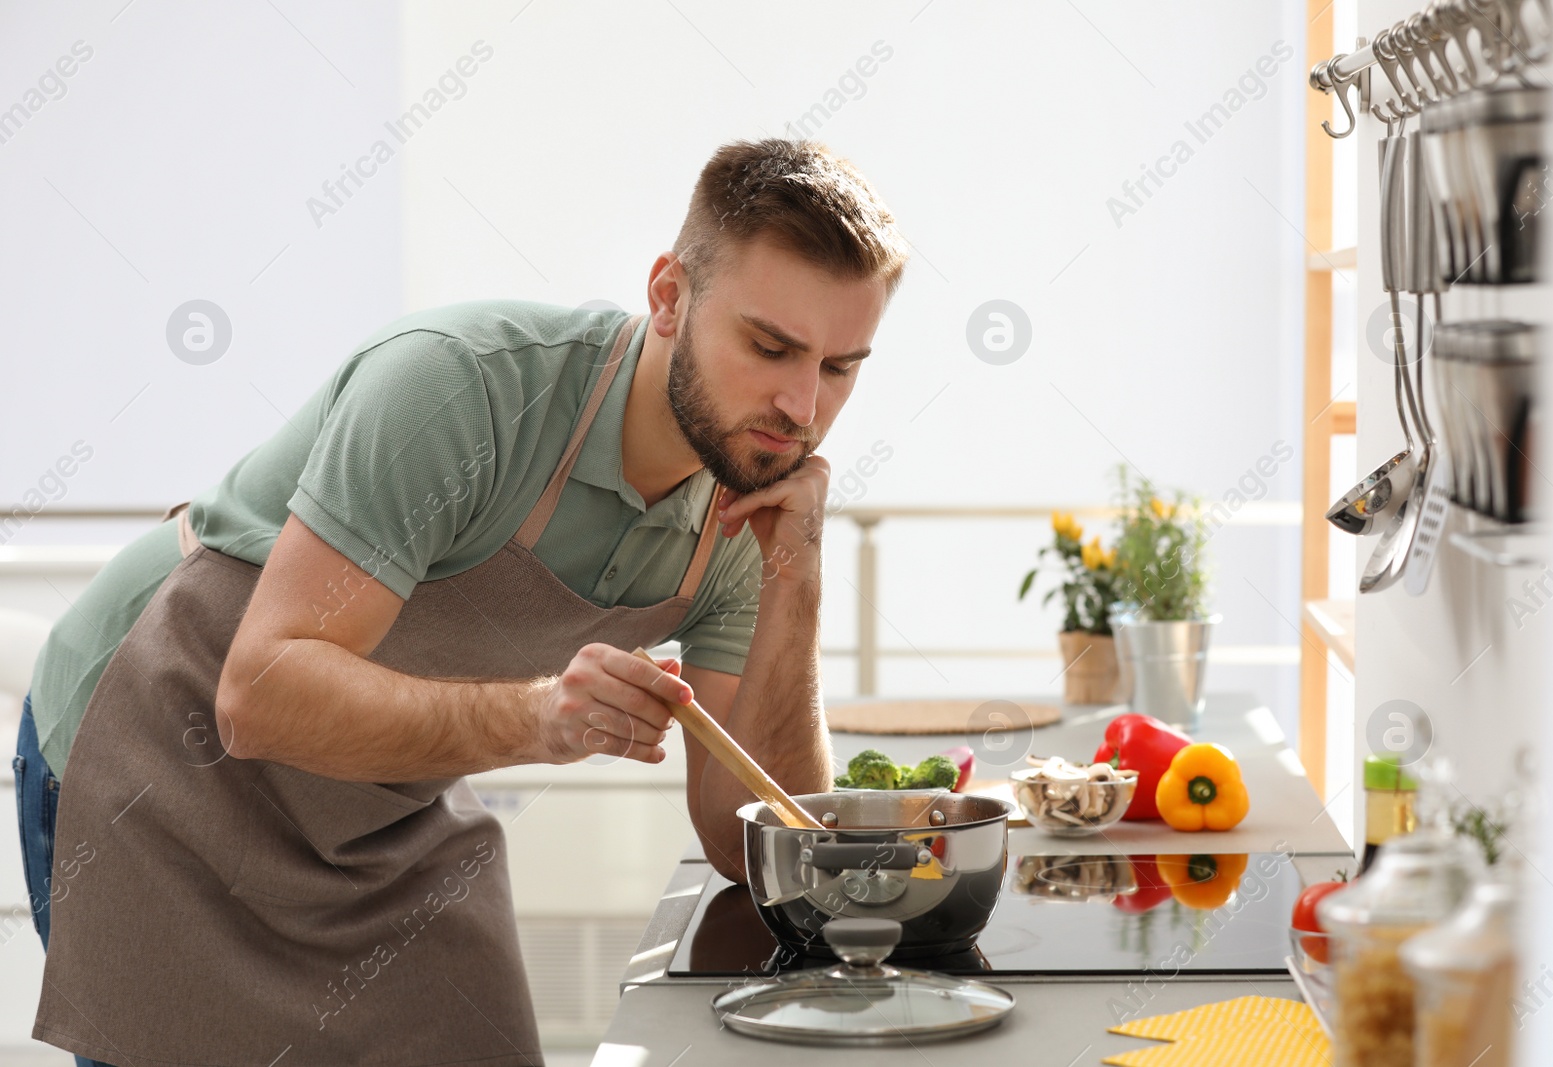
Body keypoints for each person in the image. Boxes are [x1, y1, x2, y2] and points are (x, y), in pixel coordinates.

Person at [17, 137, 908, 1067]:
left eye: (841, 366)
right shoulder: (463, 387)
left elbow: (753, 842)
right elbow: (260, 695)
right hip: (156, 746)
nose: (802, 406)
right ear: (670, 297)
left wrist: (795, 578)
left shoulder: (741, 513)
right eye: (770, 346)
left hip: (370, 804)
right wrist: (540, 718)